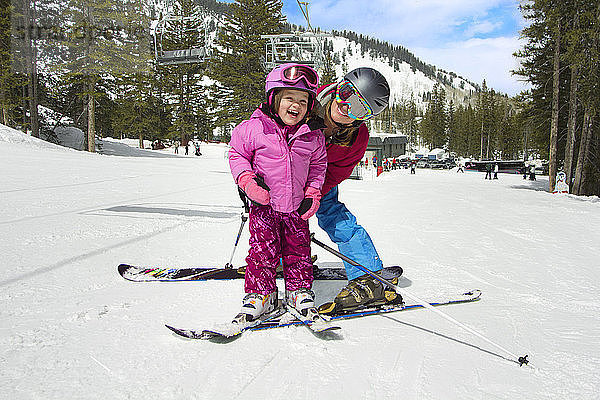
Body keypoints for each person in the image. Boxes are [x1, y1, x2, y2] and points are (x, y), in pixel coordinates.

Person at [228, 63, 327, 324]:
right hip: (264, 206)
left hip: (296, 207)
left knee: (298, 251)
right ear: (274, 99)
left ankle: (298, 293)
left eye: (303, 101)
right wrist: (247, 182)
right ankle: (262, 296)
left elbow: (318, 166)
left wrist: (313, 192)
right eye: (289, 98)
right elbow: (237, 154)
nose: (296, 106)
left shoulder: (312, 136)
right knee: (262, 252)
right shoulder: (252, 129)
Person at [306, 67, 400, 313]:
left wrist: (314, 191)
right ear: (339, 86)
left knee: (335, 217)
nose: (346, 107)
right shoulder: (307, 98)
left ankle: (367, 276)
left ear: (364, 117)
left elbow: (338, 172)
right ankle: (284, 258)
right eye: (347, 93)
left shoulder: (357, 138)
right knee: (277, 215)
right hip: (285, 174)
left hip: (320, 179)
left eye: (359, 108)